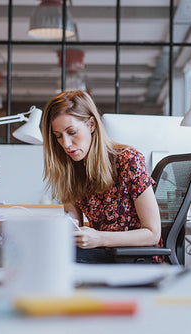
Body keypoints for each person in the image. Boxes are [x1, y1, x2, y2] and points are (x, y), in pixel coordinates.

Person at [41, 90, 162, 263]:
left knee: (58, 259)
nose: (66, 144)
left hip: (137, 257)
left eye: (72, 132)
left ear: (91, 124)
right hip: (102, 254)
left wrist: (99, 238)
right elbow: (73, 227)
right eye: (58, 136)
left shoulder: (128, 160)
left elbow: (153, 234)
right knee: (46, 252)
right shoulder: (71, 170)